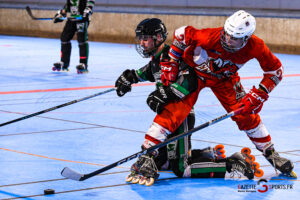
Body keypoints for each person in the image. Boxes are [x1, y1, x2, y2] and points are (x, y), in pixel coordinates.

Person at [115, 18, 256, 186]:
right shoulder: (156, 59)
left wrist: (166, 93)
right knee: (164, 162)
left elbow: (190, 80)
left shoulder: (172, 56)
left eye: (145, 38)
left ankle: (231, 165)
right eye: (141, 39)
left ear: (158, 37)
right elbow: (146, 72)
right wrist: (129, 77)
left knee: (182, 169)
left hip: (181, 116)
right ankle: (207, 155)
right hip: (168, 119)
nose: (142, 43)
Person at [167, 10, 296, 178]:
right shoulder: (209, 36)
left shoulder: (256, 46)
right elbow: (180, 34)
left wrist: (260, 93)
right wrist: (171, 63)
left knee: (245, 114)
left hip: (224, 79)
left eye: (234, 38)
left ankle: (271, 153)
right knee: (174, 105)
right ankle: (162, 152)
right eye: (227, 34)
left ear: (246, 39)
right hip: (194, 72)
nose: (227, 40)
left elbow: (275, 71)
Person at [52, 0, 95, 74]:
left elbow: (90, 2)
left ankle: (83, 64)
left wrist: (87, 11)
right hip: (71, 19)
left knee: (82, 40)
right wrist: (60, 14)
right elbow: (67, 7)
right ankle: (64, 63)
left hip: (82, 20)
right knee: (64, 38)